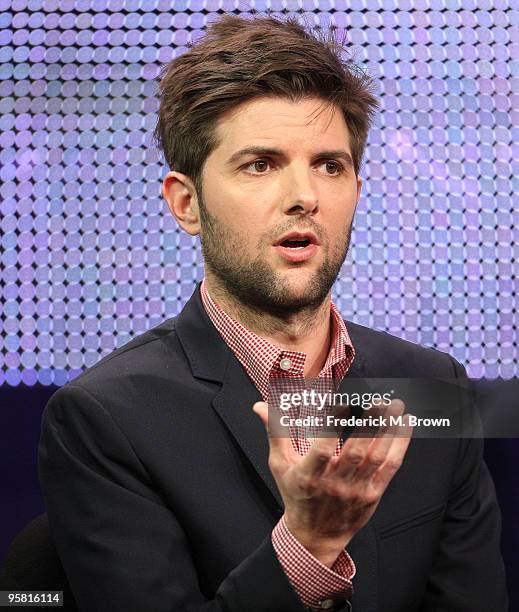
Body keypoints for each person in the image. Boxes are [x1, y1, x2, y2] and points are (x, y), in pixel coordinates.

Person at [38, 14, 508, 612]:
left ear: (357, 190)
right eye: (261, 164)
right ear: (187, 203)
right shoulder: (105, 419)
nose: (304, 196)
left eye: (329, 165)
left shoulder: (433, 388)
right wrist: (306, 549)